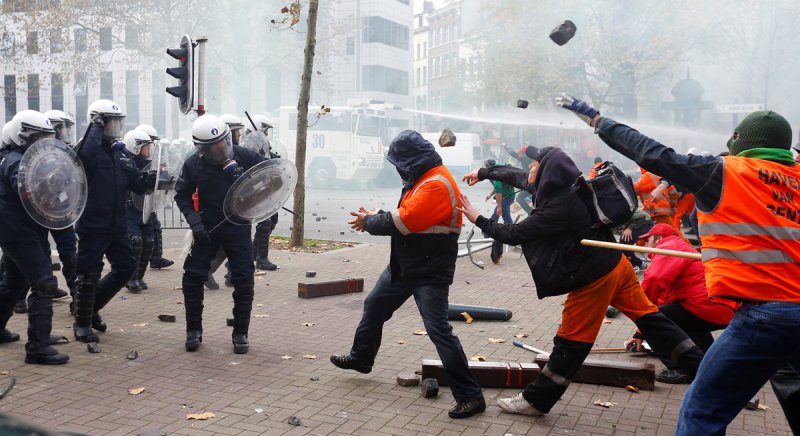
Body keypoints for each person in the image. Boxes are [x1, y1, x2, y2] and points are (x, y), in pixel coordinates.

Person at [556, 94, 800, 434]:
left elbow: (652, 153)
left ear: (740, 141)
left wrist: (599, 121)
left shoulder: (724, 173)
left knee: (702, 413)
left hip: (764, 318)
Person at [460, 145, 704, 417]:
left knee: (571, 341)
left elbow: (515, 233)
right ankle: (708, 373)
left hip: (594, 277)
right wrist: (482, 173)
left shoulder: (559, 207)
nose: (529, 168)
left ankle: (536, 400)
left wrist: (477, 218)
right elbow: (517, 175)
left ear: (546, 171)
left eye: (534, 165)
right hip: (616, 265)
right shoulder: (563, 187)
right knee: (651, 320)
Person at [330, 130, 486, 419]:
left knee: (439, 330)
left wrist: (371, 221)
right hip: (406, 266)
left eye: (400, 163)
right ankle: (362, 358)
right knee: (374, 306)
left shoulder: (436, 184)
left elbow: (405, 220)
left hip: (428, 272)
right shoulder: (425, 178)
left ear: (411, 161)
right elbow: (409, 213)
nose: (398, 169)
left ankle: (471, 396)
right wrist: (376, 215)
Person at [174, 114, 265, 354]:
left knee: (244, 279)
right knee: (192, 278)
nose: (220, 149)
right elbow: (181, 194)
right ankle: (193, 330)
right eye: (212, 148)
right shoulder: (193, 164)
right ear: (202, 149)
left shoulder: (246, 156)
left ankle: (241, 333)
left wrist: (246, 181)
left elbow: (269, 182)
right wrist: (194, 222)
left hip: (239, 227)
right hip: (207, 228)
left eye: (222, 143)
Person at [72, 99, 156, 343]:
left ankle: (90, 307)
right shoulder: (87, 148)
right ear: (99, 122)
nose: (116, 127)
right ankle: (82, 323)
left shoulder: (120, 153)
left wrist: (148, 180)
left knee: (126, 267)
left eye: (118, 122)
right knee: (88, 272)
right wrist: (95, 128)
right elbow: (83, 160)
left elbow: (136, 183)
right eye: (111, 122)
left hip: (117, 224)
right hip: (93, 223)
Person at [624, 223, 734, 384]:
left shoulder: (668, 248)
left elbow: (654, 283)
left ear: (658, 239)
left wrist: (643, 319)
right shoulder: (681, 248)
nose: (646, 246)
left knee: (653, 319)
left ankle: (680, 368)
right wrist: (639, 334)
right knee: (685, 321)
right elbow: (665, 298)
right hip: (719, 308)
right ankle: (709, 364)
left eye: (647, 240)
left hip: (704, 308)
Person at [0, 110, 69, 364]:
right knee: (44, 283)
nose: (43, 142)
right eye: (38, 137)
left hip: (17, 230)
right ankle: (38, 347)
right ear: (22, 137)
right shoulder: (16, 162)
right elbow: (27, 186)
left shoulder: (10, 157)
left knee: (14, 281)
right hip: (20, 232)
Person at [137, 124, 175, 271]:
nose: (150, 148)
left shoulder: (153, 161)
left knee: (155, 228)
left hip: (148, 201)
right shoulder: (135, 161)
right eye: (148, 145)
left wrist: (168, 176)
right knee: (139, 237)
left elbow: (164, 175)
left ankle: (156, 258)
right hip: (137, 203)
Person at [122, 129, 156, 293]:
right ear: (135, 147)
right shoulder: (125, 163)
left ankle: (140, 276)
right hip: (129, 210)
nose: (148, 150)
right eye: (145, 147)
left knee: (149, 241)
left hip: (144, 208)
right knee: (135, 241)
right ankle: (131, 277)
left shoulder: (149, 165)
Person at [247, 114, 280, 271]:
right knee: (265, 220)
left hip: (264, 184)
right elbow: (253, 162)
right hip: (256, 185)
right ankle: (262, 258)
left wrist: (272, 158)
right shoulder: (252, 140)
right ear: (260, 128)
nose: (267, 133)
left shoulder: (259, 140)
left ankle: (254, 253)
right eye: (266, 129)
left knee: (272, 218)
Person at [484, 159, 514, 264]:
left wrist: (500, 206)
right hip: (507, 196)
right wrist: (490, 194)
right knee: (495, 214)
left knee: (506, 218)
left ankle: (513, 235)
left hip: (506, 197)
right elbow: (496, 188)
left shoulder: (495, 174)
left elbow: (498, 190)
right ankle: (487, 230)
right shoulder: (497, 168)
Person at [504, 144, 538, 214]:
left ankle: (530, 212)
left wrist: (507, 147)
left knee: (519, 198)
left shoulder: (525, 157)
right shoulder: (534, 158)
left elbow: (513, 154)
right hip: (536, 183)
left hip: (530, 183)